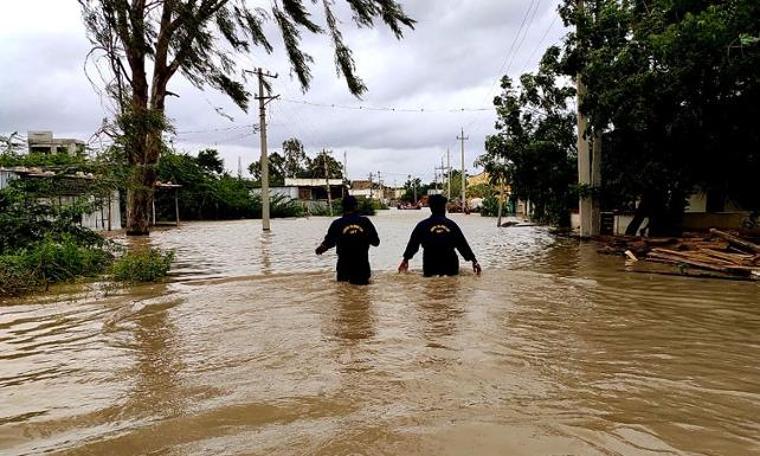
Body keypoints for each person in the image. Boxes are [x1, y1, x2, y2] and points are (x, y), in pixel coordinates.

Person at [398, 194, 481, 277]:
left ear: (430, 208)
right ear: (444, 207)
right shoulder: (452, 225)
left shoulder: (422, 225)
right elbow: (462, 245)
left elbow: (413, 245)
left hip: (430, 265)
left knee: (431, 287)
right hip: (451, 265)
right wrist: (474, 261)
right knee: (451, 285)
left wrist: (405, 260)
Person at [316, 196, 380, 285]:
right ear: (356, 206)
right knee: (363, 295)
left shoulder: (337, 224)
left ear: (342, 207)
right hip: (362, 267)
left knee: (344, 293)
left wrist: (320, 249)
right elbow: (376, 242)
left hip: (343, 267)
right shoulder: (365, 222)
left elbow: (328, 243)